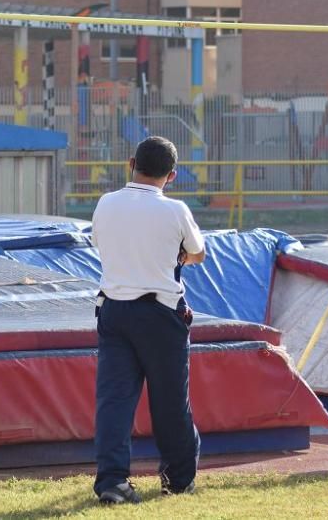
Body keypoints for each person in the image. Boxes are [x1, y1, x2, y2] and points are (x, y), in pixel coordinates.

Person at [91, 136, 206, 504]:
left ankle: (112, 482)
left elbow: (100, 243)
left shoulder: (106, 203)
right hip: (160, 313)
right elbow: (198, 253)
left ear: (131, 163)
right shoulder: (175, 210)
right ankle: (178, 479)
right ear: (171, 176)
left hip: (113, 309)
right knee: (170, 401)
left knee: (114, 400)